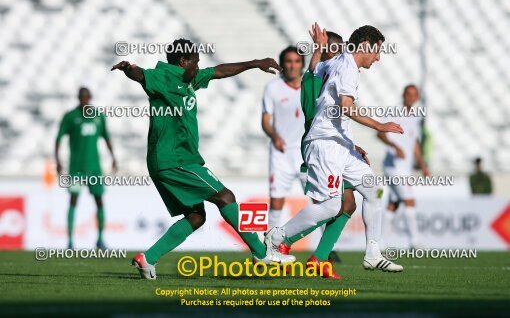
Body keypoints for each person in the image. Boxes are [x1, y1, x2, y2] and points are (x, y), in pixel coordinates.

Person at [111, 38, 295, 280]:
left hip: (176, 160)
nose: (199, 66)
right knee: (225, 196)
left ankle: (148, 259)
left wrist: (255, 63)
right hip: (174, 160)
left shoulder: (190, 79)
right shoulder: (163, 77)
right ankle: (262, 253)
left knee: (196, 217)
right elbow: (141, 76)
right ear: (183, 61)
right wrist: (128, 69)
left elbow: (219, 71)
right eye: (196, 62)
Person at [265, 24, 404, 273]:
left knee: (375, 191)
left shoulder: (339, 60)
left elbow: (314, 69)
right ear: (365, 46)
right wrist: (380, 125)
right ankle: (277, 237)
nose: (379, 57)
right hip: (325, 144)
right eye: (377, 50)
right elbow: (346, 107)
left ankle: (373, 252)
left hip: (340, 144)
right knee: (331, 206)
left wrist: (318, 48)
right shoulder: (348, 68)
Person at [55, 87, 117, 250]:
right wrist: (58, 160)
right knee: (73, 201)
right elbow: (58, 139)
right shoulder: (70, 117)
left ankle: (100, 239)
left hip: (94, 168)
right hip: (76, 169)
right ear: (78, 98)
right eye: (81, 97)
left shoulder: (98, 116)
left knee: (99, 201)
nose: (84, 100)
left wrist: (114, 158)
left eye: (86, 97)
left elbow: (107, 137)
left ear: (90, 98)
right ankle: (69, 241)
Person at [378, 84, 429, 249]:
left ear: (417, 97)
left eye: (415, 95)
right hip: (393, 165)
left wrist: (423, 166)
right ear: (403, 95)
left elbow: (414, 143)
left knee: (394, 202)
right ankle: (415, 242)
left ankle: (380, 243)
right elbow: (380, 133)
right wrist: (394, 147)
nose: (411, 97)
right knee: (409, 200)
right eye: (409, 94)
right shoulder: (394, 111)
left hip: (404, 167)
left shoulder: (414, 116)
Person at [261, 46, 306, 228]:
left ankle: (325, 248)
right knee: (277, 201)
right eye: (288, 61)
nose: (292, 65)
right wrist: (275, 136)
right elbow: (265, 121)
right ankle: (270, 243)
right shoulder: (273, 88)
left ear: (302, 64)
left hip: (307, 154)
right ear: (282, 64)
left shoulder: (311, 86)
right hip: (281, 152)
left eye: (297, 61)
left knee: (320, 202)